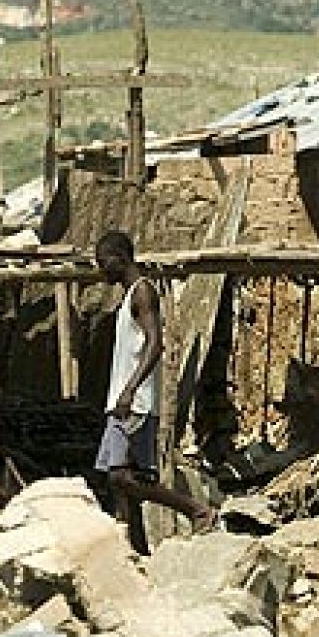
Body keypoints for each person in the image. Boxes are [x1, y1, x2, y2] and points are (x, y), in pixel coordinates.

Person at [94, 231, 214, 554]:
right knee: (117, 480)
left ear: (120, 257)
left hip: (135, 402)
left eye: (103, 263)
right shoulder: (128, 296)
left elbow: (156, 343)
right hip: (121, 402)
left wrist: (130, 390)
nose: (101, 271)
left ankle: (194, 509)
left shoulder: (143, 293)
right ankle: (136, 552)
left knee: (124, 477)